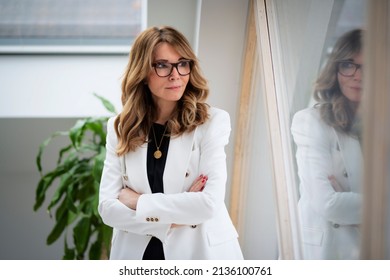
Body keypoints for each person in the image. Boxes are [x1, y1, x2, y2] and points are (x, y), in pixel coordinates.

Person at [98, 26, 243, 260]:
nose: (176, 74)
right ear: (143, 72)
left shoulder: (212, 122)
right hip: (138, 256)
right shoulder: (119, 127)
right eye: (162, 65)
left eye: (182, 63)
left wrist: (137, 202)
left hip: (200, 254)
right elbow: (107, 209)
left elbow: (207, 204)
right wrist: (170, 221)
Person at [291, 29, 363, 259]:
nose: (358, 76)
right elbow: (328, 204)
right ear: (336, 69)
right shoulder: (311, 121)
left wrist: (353, 201)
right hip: (324, 252)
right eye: (348, 65)